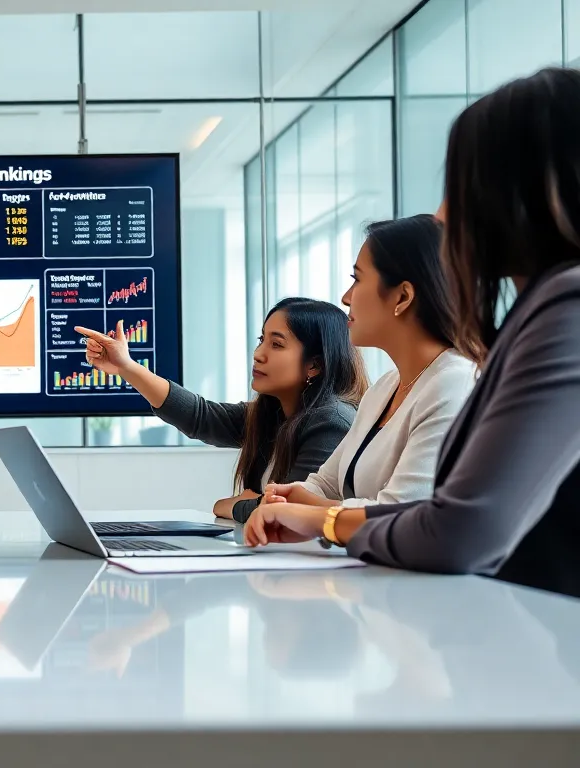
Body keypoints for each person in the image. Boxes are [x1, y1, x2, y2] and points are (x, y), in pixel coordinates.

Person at [245, 67, 580, 599]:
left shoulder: (566, 310)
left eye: (460, 188)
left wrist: (328, 523)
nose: (444, 214)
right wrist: (313, 510)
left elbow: (457, 529)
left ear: (523, 195)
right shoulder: (535, 318)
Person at [77, 297, 365, 522]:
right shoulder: (273, 415)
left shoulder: (332, 422)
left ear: (314, 365)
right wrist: (126, 367)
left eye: (277, 344)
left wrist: (235, 504)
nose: (258, 354)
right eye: (261, 340)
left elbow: (289, 512)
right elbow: (200, 417)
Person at [264, 215, 477, 509]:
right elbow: (326, 484)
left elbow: (399, 512)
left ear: (403, 296)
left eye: (357, 279)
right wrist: (284, 497)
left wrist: (311, 513)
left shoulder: (453, 384)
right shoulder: (385, 387)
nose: (346, 297)